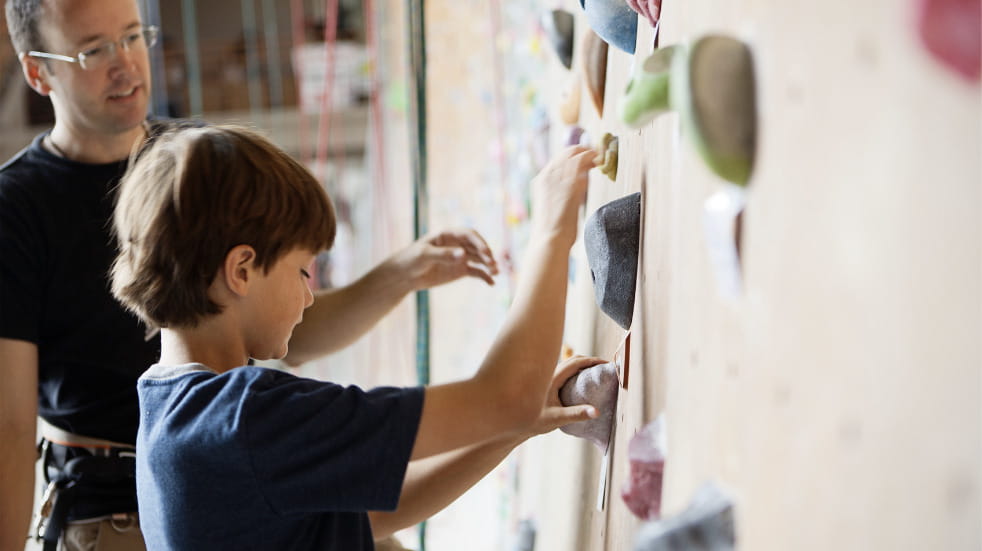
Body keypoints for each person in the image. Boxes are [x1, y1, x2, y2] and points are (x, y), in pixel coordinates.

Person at [0, 0, 500, 549]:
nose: (125, 63)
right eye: (93, 49)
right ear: (37, 70)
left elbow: (284, 324)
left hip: (245, 461)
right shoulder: (17, 207)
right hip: (117, 510)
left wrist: (401, 273)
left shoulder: (191, 157)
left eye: (132, 35)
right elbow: (11, 428)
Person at [109, 124, 599, 550]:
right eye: (303, 271)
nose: (308, 296)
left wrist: (512, 424)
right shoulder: (245, 418)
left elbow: (368, 517)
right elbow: (504, 395)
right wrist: (552, 230)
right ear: (242, 269)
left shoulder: (168, 412)